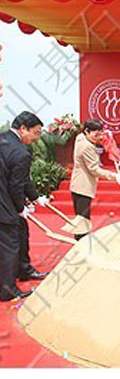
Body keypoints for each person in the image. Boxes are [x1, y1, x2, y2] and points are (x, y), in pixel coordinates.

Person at [0, 111, 43, 301]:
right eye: (35, 133)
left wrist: (35, 197)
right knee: (9, 246)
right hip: (4, 205)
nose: (36, 138)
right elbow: (16, 185)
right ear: (23, 129)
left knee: (21, 231)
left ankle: (23, 270)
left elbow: (20, 179)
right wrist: (20, 208)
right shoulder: (21, 152)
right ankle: (8, 291)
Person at [70, 119, 120, 240]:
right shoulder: (87, 147)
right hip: (83, 186)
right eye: (96, 135)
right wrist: (113, 176)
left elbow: (94, 138)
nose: (98, 137)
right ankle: (82, 243)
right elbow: (94, 169)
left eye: (100, 134)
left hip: (77, 184)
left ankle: (80, 240)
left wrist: (104, 137)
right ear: (87, 131)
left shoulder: (80, 138)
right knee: (83, 219)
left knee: (81, 218)